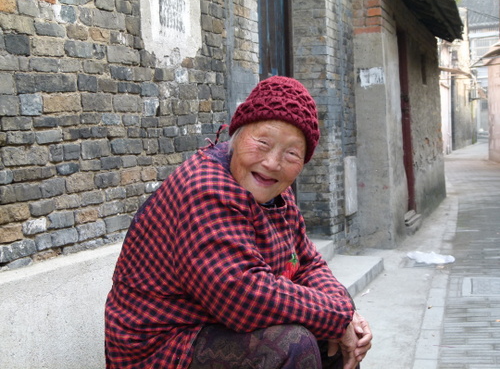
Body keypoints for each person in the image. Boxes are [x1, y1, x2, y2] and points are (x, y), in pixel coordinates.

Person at [105, 76, 372, 369]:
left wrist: (344, 313)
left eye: (291, 153)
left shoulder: (276, 190)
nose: (272, 162)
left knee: (340, 329)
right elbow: (243, 294)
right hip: (163, 345)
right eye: (262, 142)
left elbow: (307, 263)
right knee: (291, 345)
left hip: (212, 325)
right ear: (237, 135)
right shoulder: (205, 188)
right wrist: (338, 315)